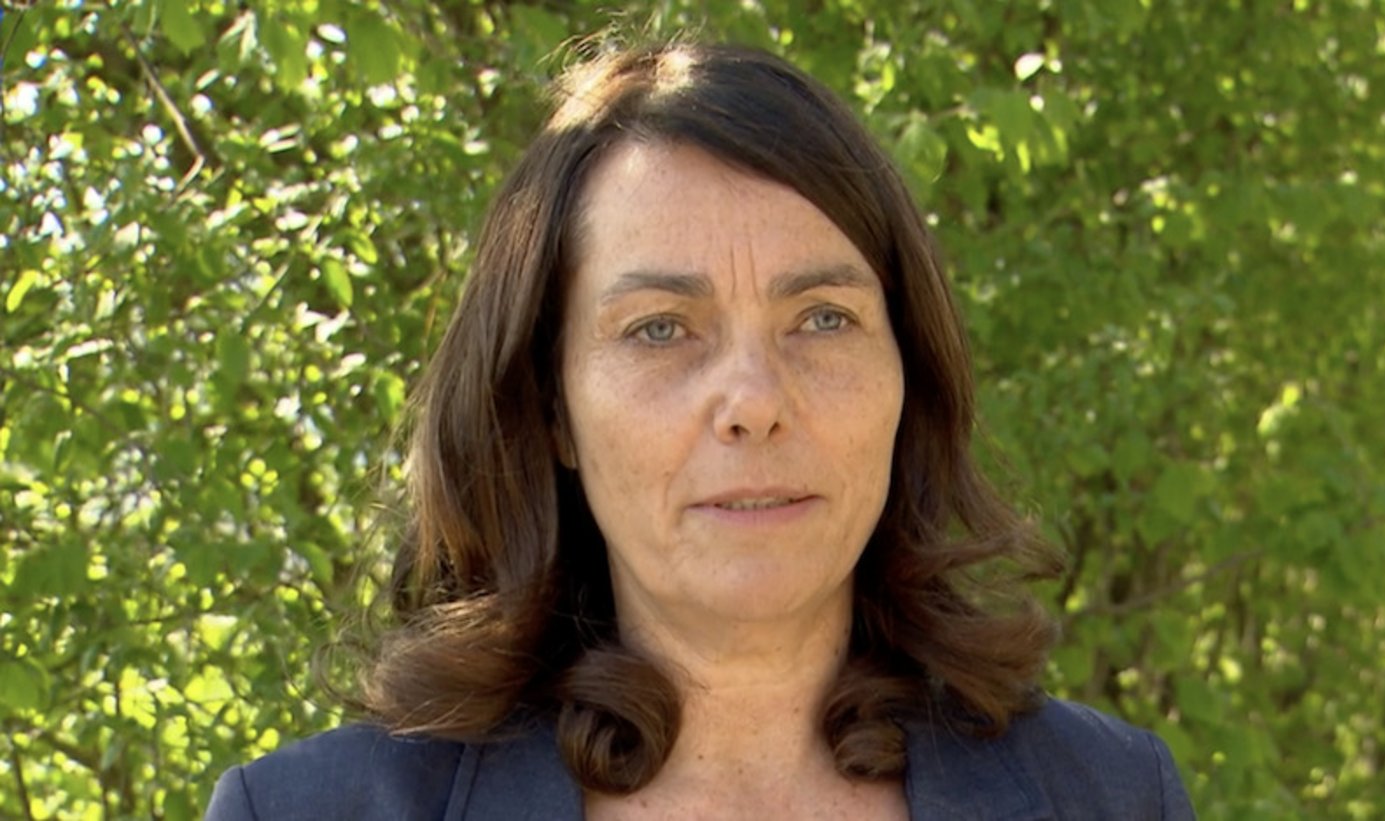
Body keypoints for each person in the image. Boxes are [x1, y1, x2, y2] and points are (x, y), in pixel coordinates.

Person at [206, 40, 1195, 820]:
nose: (753, 399)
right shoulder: (302, 811)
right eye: (659, 329)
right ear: (550, 407)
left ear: (909, 372)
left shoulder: (1109, 797)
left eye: (822, 317)